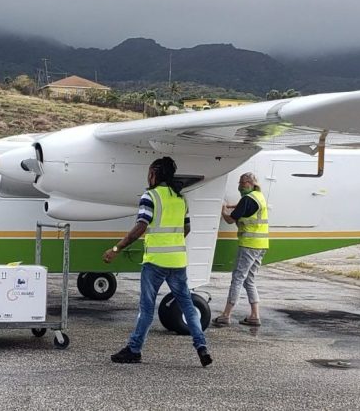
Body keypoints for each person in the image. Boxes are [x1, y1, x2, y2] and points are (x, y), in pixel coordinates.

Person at [103, 156, 212, 367]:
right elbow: (186, 228)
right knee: (188, 306)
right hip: (178, 261)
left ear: (155, 174)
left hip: (155, 262)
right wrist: (173, 242)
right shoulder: (180, 199)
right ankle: (201, 347)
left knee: (146, 308)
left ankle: (134, 350)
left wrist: (116, 248)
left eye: (149, 172)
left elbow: (140, 227)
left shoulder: (150, 196)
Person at [213, 172, 269, 327]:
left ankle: (226, 314)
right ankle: (255, 315)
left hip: (249, 245)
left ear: (249, 183)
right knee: (249, 279)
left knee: (238, 278)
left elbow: (230, 219)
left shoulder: (247, 199)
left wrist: (223, 210)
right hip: (261, 245)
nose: (239, 186)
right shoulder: (259, 196)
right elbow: (245, 213)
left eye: (242, 182)